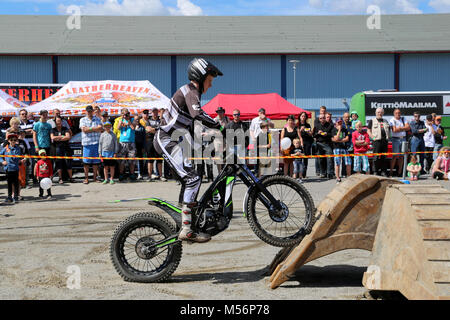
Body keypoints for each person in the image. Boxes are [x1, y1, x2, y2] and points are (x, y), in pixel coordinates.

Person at [153, 57, 223, 243]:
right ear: (200, 77)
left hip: (174, 141)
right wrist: (219, 126)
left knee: (193, 176)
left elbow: (191, 127)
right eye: (210, 80)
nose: (211, 84)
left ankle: (183, 219)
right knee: (192, 178)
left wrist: (205, 148)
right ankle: (186, 229)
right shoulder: (190, 91)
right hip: (166, 139)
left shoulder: (192, 93)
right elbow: (198, 114)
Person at [79, 105, 103, 184]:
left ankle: (95, 178)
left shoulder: (98, 119)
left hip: (96, 143)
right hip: (87, 144)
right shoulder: (82, 119)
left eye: (90, 111)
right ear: (86, 111)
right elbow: (84, 130)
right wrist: (94, 128)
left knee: (96, 162)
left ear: (93, 111)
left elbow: (100, 128)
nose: (89, 112)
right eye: (88, 111)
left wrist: (89, 129)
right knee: (86, 163)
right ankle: (86, 178)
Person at [141, 108, 165, 181]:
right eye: (153, 112)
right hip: (150, 141)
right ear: (151, 113)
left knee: (159, 159)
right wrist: (156, 130)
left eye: (156, 112)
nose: (154, 113)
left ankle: (161, 176)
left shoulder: (161, 120)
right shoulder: (148, 121)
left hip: (159, 141)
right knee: (150, 159)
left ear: (157, 113)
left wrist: (153, 129)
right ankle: (149, 176)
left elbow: (162, 130)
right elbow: (148, 129)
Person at [367, 107, 390, 176]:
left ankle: (383, 171)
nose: (380, 114)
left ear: (383, 113)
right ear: (376, 113)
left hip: (384, 141)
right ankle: (375, 171)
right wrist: (373, 137)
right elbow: (368, 131)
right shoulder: (372, 120)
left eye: (381, 112)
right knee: (376, 157)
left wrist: (388, 137)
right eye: (378, 112)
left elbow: (389, 130)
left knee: (384, 157)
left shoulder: (385, 121)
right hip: (376, 141)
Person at [0, 133, 23, 203]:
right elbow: (0, 156)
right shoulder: (5, 148)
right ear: (9, 141)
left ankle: (15, 196)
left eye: (14, 140)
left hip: (15, 168)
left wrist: (10, 153)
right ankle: (9, 196)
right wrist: (2, 161)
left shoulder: (18, 148)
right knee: (9, 183)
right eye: (11, 140)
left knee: (16, 183)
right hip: (8, 168)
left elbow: (16, 158)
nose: (13, 141)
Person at [51, 117, 73, 184]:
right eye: (57, 121)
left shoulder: (65, 128)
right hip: (57, 148)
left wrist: (58, 138)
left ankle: (71, 178)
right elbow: (52, 137)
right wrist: (62, 137)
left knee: (68, 162)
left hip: (66, 148)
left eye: (60, 121)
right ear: (55, 122)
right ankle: (60, 178)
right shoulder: (53, 129)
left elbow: (68, 137)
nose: (59, 122)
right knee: (59, 163)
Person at [389, 108, 410, 177]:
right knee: (394, 156)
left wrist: (400, 128)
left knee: (401, 156)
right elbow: (394, 130)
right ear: (394, 114)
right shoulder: (392, 120)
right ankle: (391, 172)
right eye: (396, 113)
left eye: (399, 113)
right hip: (395, 139)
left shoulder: (404, 119)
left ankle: (400, 172)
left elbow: (408, 127)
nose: (398, 114)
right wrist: (403, 128)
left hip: (403, 139)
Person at [118, 110, 137, 181]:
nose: (125, 116)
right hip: (122, 142)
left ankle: (131, 174)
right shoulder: (120, 120)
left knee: (131, 159)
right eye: (123, 114)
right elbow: (118, 128)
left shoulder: (133, 120)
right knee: (122, 160)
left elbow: (133, 128)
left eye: (126, 114)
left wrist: (129, 123)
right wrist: (120, 123)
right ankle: (121, 174)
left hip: (131, 142)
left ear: (129, 114)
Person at [313, 114, 334, 179]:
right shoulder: (317, 126)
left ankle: (330, 173)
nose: (322, 119)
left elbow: (332, 134)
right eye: (320, 118)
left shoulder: (330, 125)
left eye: (323, 118)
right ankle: (323, 173)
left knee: (329, 158)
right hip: (319, 143)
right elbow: (313, 135)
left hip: (327, 143)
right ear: (319, 119)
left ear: (325, 118)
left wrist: (326, 134)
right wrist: (318, 133)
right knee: (321, 159)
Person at [331, 118, 351, 183]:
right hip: (336, 148)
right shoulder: (333, 130)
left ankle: (349, 176)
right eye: (338, 122)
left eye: (341, 122)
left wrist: (339, 140)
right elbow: (335, 138)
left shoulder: (345, 129)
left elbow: (347, 139)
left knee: (348, 162)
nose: (340, 124)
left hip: (344, 148)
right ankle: (338, 177)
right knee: (337, 163)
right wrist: (339, 130)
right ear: (336, 123)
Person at [19, 109, 36, 185]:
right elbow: (20, 133)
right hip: (22, 145)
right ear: (20, 115)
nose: (24, 115)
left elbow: (34, 131)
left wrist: (24, 131)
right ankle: (25, 180)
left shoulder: (32, 122)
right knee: (24, 162)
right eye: (22, 114)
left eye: (25, 114)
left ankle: (34, 178)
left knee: (33, 162)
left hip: (32, 144)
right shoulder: (18, 123)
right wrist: (27, 131)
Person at [297, 112, 312, 179]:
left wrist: (308, 132)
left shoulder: (308, 125)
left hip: (307, 141)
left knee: (305, 158)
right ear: (300, 117)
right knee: (299, 158)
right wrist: (300, 130)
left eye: (304, 116)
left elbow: (311, 134)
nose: (303, 117)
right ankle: (298, 173)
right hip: (299, 142)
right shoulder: (297, 125)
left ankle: (304, 174)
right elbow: (296, 134)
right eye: (302, 116)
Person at [134, 113, 147, 180]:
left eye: (138, 119)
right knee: (132, 161)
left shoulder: (142, 128)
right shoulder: (132, 127)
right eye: (136, 119)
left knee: (140, 160)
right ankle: (132, 174)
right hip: (132, 145)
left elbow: (144, 138)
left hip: (140, 145)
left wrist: (143, 147)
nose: (137, 121)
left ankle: (140, 174)